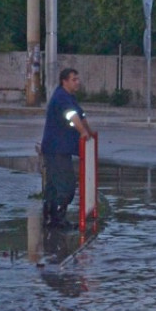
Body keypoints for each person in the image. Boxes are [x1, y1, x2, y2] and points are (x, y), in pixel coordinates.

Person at [40, 68, 94, 228]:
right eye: (74, 79)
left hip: (59, 149)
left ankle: (51, 219)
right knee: (66, 185)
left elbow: (81, 116)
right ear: (64, 81)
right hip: (56, 150)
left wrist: (89, 132)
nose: (78, 82)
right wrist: (83, 132)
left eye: (78, 79)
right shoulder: (61, 97)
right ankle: (57, 219)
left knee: (53, 186)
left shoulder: (69, 97)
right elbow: (72, 116)